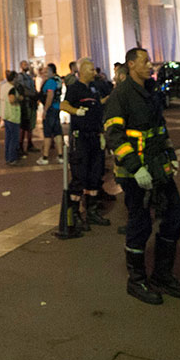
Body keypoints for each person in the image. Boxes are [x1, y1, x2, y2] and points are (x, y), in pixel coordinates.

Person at [105, 47, 180, 305]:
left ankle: (162, 275)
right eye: (145, 61)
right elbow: (114, 135)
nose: (150, 65)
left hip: (157, 167)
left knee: (175, 215)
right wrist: (135, 167)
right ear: (131, 64)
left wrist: (170, 155)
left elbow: (159, 129)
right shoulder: (121, 95)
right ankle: (137, 280)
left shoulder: (151, 92)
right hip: (135, 174)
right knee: (140, 225)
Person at [61, 58, 111, 231]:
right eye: (91, 70)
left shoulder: (93, 88)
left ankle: (92, 211)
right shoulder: (74, 88)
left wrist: (102, 133)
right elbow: (63, 105)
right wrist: (76, 111)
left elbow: (97, 107)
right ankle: (74, 213)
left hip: (95, 137)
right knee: (79, 175)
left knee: (95, 175)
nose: (94, 72)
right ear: (81, 72)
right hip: (81, 138)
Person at [36, 64, 64, 165]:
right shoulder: (58, 80)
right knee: (57, 132)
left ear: (51, 71)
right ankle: (60, 155)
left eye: (46, 71)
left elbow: (50, 96)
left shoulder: (50, 82)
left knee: (47, 133)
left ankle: (45, 156)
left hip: (50, 109)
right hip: (56, 108)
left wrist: (45, 110)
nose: (44, 73)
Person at [0, 71, 22, 165]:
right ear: (14, 78)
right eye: (17, 78)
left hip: (5, 114)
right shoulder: (12, 88)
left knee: (8, 138)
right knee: (14, 138)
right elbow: (12, 99)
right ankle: (12, 158)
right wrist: (19, 98)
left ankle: (8, 157)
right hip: (13, 115)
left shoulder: (3, 86)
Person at [18, 61, 38, 155]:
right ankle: (21, 145)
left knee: (31, 124)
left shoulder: (29, 77)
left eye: (27, 65)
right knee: (24, 125)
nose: (27, 66)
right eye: (24, 65)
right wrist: (32, 94)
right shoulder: (20, 77)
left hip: (32, 102)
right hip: (26, 103)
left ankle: (30, 143)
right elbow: (22, 89)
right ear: (21, 66)